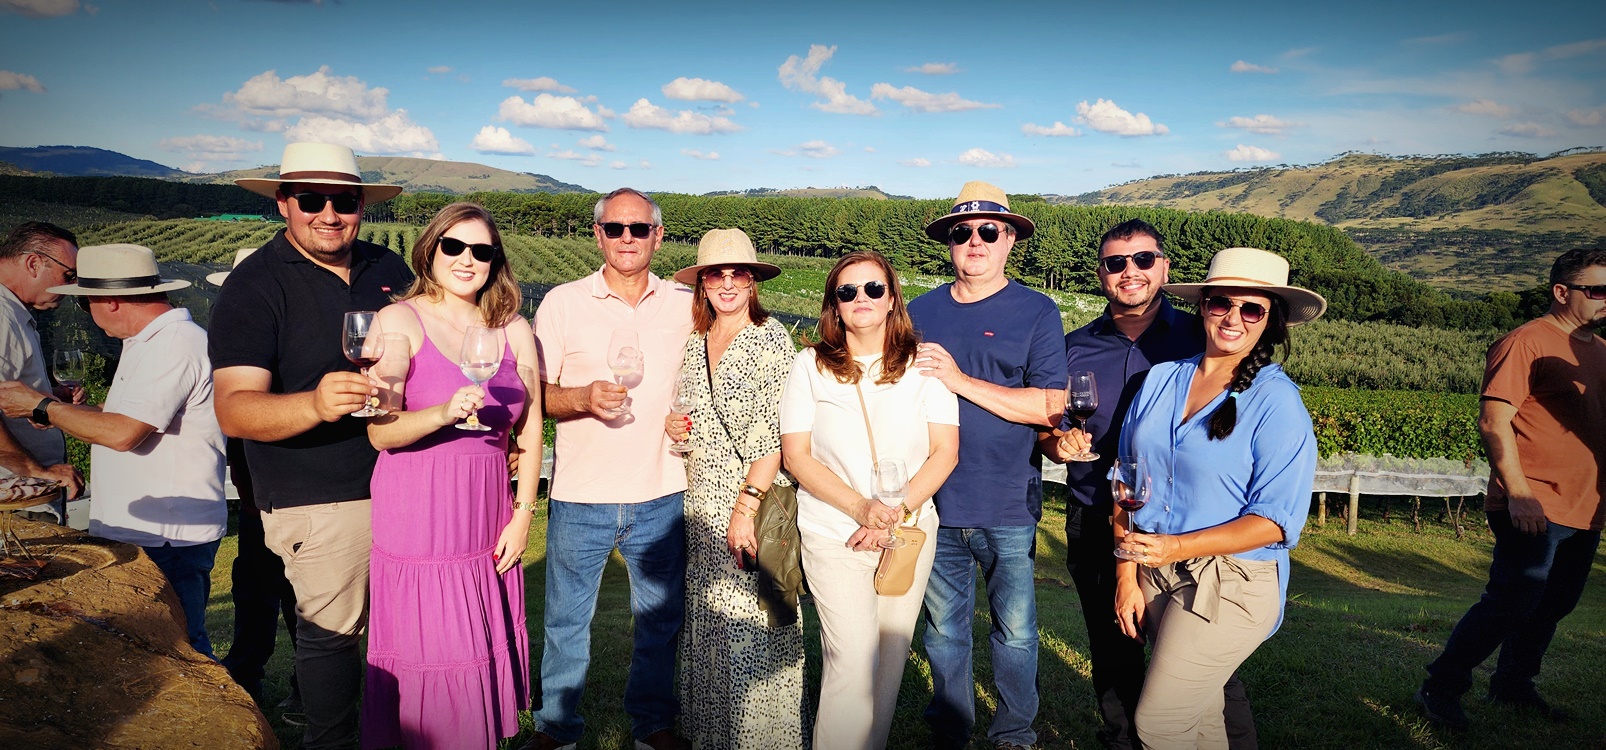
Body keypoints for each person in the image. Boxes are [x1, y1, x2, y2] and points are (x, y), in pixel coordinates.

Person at [209, 142, 412, 749]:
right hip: (319, 496)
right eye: (311, 199)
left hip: (404, 476)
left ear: (362, 207)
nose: (329, 213)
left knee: (407, 628)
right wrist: (316, 405)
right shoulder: (254, 285)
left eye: (343, 201)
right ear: (283, 203)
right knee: (334, 638)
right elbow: (234, 408)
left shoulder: (387, 268)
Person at [1042, 219, 1257, 749]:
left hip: (1185, 524)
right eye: (1116, 262)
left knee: (1198, 658)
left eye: (1143, 259)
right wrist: (1057, 443)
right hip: (1097, 513)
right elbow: (1047, 427)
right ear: (1101, 274)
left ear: (1164, 267)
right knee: (1114, 648)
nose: (1130, 271)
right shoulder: (1073, 348)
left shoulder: (1202, 336)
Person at [1111, 246, 1324, 750]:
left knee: (1160, 721)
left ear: (1270, 323)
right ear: (1203, 306)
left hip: (1231, 581)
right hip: (1153, 570)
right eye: (1222, 302)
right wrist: (1125, 575)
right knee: (1203, 719)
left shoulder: (1277, 402)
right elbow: (1124, 481)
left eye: (1251, 309)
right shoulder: (1160, 380)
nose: (1233, 318)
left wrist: (1174, 548)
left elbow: (1275, 521)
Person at [361, 202, 539, 748]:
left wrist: (523, 516)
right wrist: (442, 412)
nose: (467, 259)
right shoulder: (398, 321)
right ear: (430, 249)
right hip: (419, 515)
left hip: (486, 514)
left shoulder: (514, 329)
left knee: (475, 649)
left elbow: (531, 431)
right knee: (433, 654)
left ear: (494, 260)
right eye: (454, 246)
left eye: (481, 250)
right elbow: (381, 432)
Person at [526, 188, 694, 750]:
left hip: (662, 491)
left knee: (659, 622)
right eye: (615, 228)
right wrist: (581, 398)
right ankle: (557, 728)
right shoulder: (562, 303)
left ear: (658, 237)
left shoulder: (684, 303)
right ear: (598, 235)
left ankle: (652, 724)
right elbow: (535, 394)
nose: (627, 237)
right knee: (566, 624)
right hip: (581, 494)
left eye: (639, 228)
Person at [0, 243, 226, 657]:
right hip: (151, 530)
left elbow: (123, 433)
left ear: (111, 301)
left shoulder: (173, 345)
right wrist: (59, 413)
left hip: (167, 536)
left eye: (84, 302)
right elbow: (124, 419)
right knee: (149, 646)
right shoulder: (149, 342)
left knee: (178, 650)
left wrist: (43, 406)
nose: (87, 313)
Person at [1416, 248, 1606, 730]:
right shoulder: (1525, 341)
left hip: (1585, 505)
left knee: (1555, 603)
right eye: (1597, 290)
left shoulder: (1601, 351)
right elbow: (1493, 421)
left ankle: (1514, 685)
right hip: (1534, 500)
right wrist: (1518, 493)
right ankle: (1441, 687)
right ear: (1561, 292)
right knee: (1512, 601)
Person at [907, 182, 1067, 750]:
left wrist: (958, 381)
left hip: (1007, 501)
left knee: (1015, 633)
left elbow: (1051, 405)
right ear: (949, 243)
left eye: (988, 231)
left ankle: (1014, 733)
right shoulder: (918, 312)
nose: (975, 241)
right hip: (935, 501)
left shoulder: (1037, 311)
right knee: (944, 632)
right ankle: (952, 730)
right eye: (963, 232)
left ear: (1010, 240)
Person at [780, 250, 959, 750]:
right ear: (834, 306)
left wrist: (892, 516)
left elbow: (946, 452)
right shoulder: (810, 366)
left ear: (892, 298)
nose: (862, 298)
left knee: (888, 664)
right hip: (835, 533)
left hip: (907, 533)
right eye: (848, 291)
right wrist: (862, 510)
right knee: (853, 661)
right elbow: (796, 456)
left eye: (873, 288)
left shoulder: (925, 365)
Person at [662, 228, 803, 748]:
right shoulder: (694, 343)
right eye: (715, 274)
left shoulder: (771, 339)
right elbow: (691, 415)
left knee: (753, 626)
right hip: (700, 505)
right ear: (701, 284)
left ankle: (761, 739)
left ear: (751, 283)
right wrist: (674, 426)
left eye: (737, 273)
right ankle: (713, 736)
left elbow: (775, 435)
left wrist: (745, 509)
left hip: (751, 504)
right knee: (711, 626)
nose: (726, 283)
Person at [208, 248, 302, 718]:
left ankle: (306, 688)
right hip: (254, 501)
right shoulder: (236, 349)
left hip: (292, 496)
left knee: (301, 599)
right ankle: (247, 678)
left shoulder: (295, 352)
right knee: (254, 593)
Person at [0, 221, 83, 523]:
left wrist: (44, 399)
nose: (73, 286)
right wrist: (38, 471)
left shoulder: (13, 312)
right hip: (18, 498)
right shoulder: (3, 317)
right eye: (69, 275)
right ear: (33, 263)